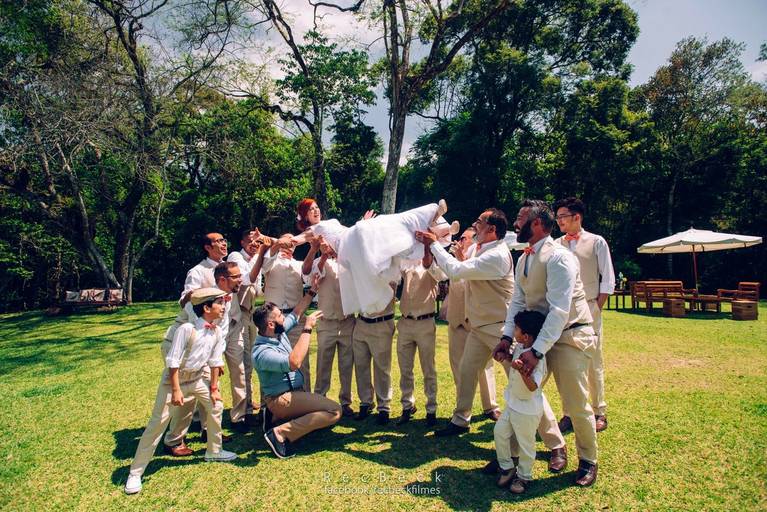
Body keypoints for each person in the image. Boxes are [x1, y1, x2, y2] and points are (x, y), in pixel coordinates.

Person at [494, 199, 599, 487]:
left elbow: (559, 310)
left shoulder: (560, 258)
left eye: (520, 218)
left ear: (537, 223)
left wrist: (537, 351)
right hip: (537, 337)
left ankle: (588, 460)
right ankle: (511, 458)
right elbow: (517, 302)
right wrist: (506, 337)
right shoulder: (524, 258)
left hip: (568, 336)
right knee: (521, 394)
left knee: (575, 403)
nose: (515, 223)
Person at [124, 288, 237, 495]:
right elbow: (173, 362)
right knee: (158, 423)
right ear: (206, 307)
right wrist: (176, 390)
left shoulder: (217, 331)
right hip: (175, 381)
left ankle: (214, 450)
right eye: (220, 303)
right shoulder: (186, 329)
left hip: (198, 379)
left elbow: (215, 362)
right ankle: (136, 472)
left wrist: (213, 388)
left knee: (216, 405)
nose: (224, 307)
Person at [414, 208, 515, 437]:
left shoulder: (496, 255)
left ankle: (551, 437)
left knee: (519, 379)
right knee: (467, 372)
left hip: (499, 327)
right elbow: (447, 271)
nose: (475, 225)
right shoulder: (478, 251)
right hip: (478, 327)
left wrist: (434, 243)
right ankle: (460, 421)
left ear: (492, 229)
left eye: (479, 222)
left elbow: (456, 270)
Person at [291, 198, 457, 316]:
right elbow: (295, 240)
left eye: (316, 207)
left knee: (391, 228)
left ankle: (439, 224)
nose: (316, 210)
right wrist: (278, 242)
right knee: (380, 235)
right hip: (349, 249)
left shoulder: (330, 222)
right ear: (305, 216)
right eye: (311, 209)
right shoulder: (312, 231)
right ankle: (436, 227)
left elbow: (345, 231)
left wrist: (363, 222)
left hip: (353, 238)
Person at [252, 275, 343, 459]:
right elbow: (294, 363)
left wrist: (312, 291)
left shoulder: (276, 333)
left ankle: (273, 418)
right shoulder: (262, 352)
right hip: (281, 399)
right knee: (334, 411)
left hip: (292, 394)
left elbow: (296, 313)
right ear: (271, 324)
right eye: (280, 316)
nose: (284, 318)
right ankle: (280, 433)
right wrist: (307, 328)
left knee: (321, 412)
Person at [553, 197, 615, 433]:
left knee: (593, 361)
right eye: (557, 217)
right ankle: (568, 412)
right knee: (564, 363)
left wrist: (596, 308)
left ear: (576, 217)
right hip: (561, 310)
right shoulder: (555, 244)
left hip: (589, 308)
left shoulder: (597, 242)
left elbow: (607, 279)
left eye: (562, 216)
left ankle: (599, 411)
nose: (559, 221)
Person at [446, 227, 501, 421]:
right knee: (458, 367)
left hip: (476, 323)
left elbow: (468, 278)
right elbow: (441, 274)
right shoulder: (453, 260)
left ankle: (490, 406)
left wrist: (462, 260)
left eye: (465, 239)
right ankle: (463, 409)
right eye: (460, 238)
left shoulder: (479, 261)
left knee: (485, 366)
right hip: (456, 321)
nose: (460, 241)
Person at [492, 310, 547, 495]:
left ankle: (524, 476)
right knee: (499, 432)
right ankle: (507, 467)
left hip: (527, 410)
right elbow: (514, 359)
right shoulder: (519, 346)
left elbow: (532, 387)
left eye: (516, 329)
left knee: (526, 444)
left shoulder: (538, 358)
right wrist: (506, 357)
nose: (513, 331)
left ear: (526, 336)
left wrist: (523, 371)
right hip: (512, 404)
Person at [302, 237, 356, 417]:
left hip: (347, 321)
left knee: (346, 364)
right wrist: (324, 256)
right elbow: (312, 276)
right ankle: (320, 399)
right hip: (327, 322)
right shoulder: (319, 262)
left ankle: (346, 401)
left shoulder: (348, 261)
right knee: (323, 364)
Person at [395, 244, 446, 426]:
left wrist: (428, 247)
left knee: (428, 369)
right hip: (405, 322)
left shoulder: (434, 267)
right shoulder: (406, 264)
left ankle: (431, 408)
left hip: (425, 323)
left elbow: (440, 274)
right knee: (405, 369)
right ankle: (407, 406)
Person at [228, 229, 270, 423]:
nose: (255, 244)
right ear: (242, 242)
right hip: (239, 316)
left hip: (253, 314)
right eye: (251, 241)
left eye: (258, 241)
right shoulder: (235, 257)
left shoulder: (256, 259)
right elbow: (247, 279)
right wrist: (261, 254)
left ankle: (254, 404)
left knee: (254, 360)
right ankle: (244, 411)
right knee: (243, 365)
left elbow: (258, 290)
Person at [261, 237, 311, 391]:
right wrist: (276, 245)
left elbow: (308, 277)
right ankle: (268, 400)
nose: (289, 244)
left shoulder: (299, 265)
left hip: (294, 317)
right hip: (272, 319)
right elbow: (264, 266)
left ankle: (304, 396)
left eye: (292, 242)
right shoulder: (270, 261)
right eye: (286, 241)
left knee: (302, 361)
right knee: (270, 360)